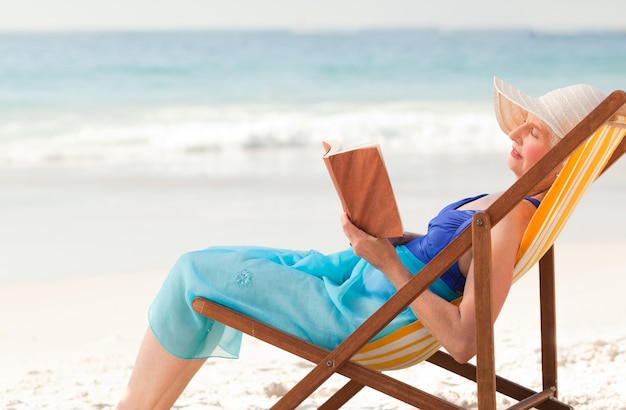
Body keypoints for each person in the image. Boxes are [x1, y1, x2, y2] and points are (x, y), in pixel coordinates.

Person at [116, 77, 607, 409]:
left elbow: (462, 341)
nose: (517, 131)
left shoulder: (507, 223)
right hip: (351, 278)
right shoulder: (509, 200)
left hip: (357, 315)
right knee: (213, 264)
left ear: (564, 159)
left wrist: (388, 260)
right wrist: (392, 238)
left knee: (193, 274)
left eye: (536, 130)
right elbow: (448, 258)